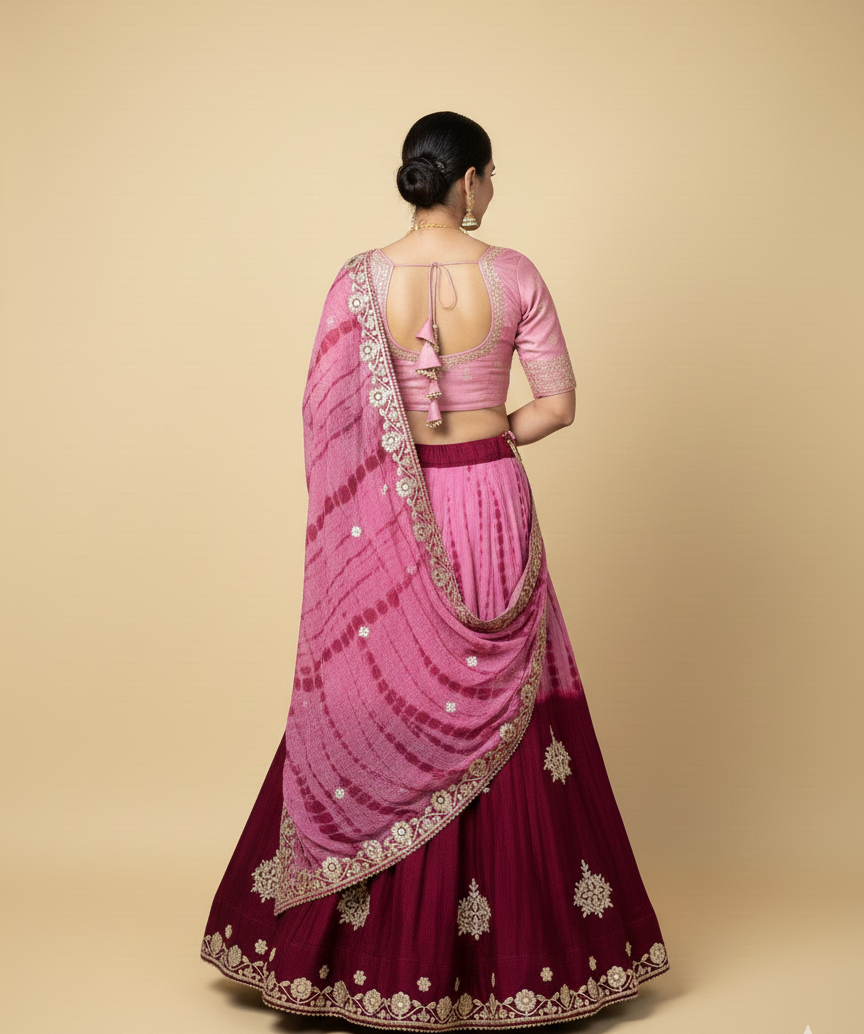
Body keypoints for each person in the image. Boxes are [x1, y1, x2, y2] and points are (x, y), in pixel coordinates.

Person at [201, 111, 669, 1029]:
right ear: (469, 181)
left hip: (389, 512)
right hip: (487, 498)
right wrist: (493, 431)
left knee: (389, 693)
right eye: (491, 175)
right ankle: (519, 962)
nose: (493, 189)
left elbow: (327, 419)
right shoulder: (515, 274)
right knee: (502, 701)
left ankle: (346, 953)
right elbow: (558, 404)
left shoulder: (357, 281)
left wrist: (389, 476)